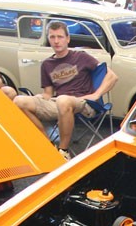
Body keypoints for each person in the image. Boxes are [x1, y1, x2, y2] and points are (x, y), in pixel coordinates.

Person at [8, 21, 118, 160]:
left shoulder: (81, 57)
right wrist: (38, 98)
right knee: (18, 101)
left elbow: (112, 76)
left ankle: (63, 151)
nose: (56, 41)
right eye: (52, 37)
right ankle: (47, 144)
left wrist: (97, 94)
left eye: (60, 37)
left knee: (63, 100)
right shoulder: (47, 64)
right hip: (58, 102)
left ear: (68, 39)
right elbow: (48, 94)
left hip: (83, 102)